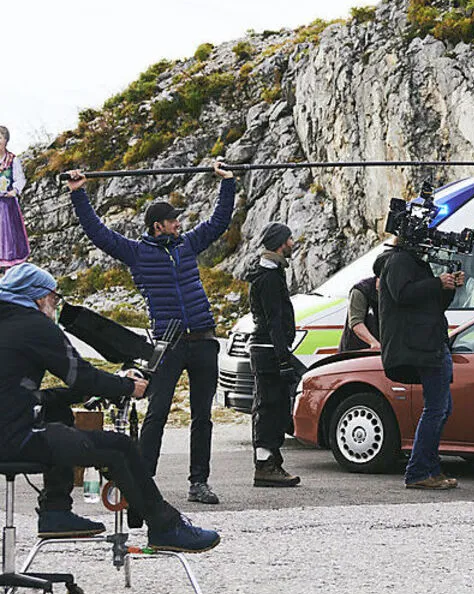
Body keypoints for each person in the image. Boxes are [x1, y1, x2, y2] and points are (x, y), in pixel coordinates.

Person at [0, 264, 219, 552]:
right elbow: (81, 375)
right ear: (39, 297)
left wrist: (81, 393)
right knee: (120, 447)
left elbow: (20, 392)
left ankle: (56, 511)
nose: (56, 306)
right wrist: (127, 386)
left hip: (9, 428)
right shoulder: (35, 326)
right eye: (54, 298)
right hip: (15, 440)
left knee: (57, 413)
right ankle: (166, 528)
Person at [66, 164, 234, 505]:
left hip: (204, 339)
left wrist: (227, 184)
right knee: (157, 414)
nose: (178, 224)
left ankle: (199, 483)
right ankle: (143, 482)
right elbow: (98, 233)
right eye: (173, 220)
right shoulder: (137, 253)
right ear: (158, 226)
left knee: (202, 417)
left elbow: (218, 223)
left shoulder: (187, 244)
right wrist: (78, 193)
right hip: (168, 344)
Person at [377, 239, 463, 490]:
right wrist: (438, 283)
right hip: (423, 346)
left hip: (431, 343)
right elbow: (402, 294)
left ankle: (430, 470)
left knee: (442, 409)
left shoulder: (412, 263)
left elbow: (433, 305)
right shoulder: (399, 261)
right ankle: (418, 472)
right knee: (436, 409)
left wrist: (448, 287)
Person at [246, 223, 304, 487]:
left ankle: (272, 461)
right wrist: (283, 358)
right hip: (268, 350)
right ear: (281, 243)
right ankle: (265, 465)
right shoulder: (269, 277)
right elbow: (274, 321)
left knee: (276, 405)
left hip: (269, 349)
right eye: (289, 239)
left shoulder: (271, 272)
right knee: (269, 407)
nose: (292, 243)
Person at [338, 259, 383, 353]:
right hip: (356, 350)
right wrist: (373, 342)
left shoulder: (395, 293)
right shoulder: (360, 291)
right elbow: (356, 323)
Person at [0, 126, 30, 267]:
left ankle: (9, 264)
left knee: (9, 234)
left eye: (0, 138)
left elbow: (20, 179)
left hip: (7, 204)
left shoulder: (12, 160)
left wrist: (15, 190)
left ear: (6, 140)